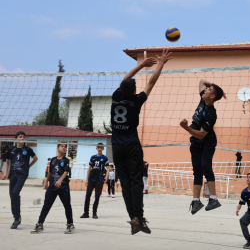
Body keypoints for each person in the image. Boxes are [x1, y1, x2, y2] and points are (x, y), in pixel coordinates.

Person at [111, 49, 172, 235]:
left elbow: (126, 79)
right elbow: (151, 82)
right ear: (134, 91)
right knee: (136, 182)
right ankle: (138, 216)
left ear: (121, 89)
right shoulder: (136, 101)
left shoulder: (116, 98)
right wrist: (160, 64)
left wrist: (140, 66)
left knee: (126, 183)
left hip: (116, 146)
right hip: (131, 146)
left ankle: (134, 218)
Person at [180, 78, 226, 215]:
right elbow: (201, 81)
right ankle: (196, 201)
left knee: (206, 166)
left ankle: (213, 199)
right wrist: (216, 89)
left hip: (207, 140)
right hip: (195, 140)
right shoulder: (202, 99)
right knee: (197, 169)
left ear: (212, 96)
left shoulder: (212, 114)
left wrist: (186, 127)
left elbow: (201, 134)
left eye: (209, 90)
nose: (205, 89)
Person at [31, 144, 75, 234]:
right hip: (52, 186)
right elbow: (50, 171)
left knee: (67, 205)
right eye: (62, 146)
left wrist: (60, 181)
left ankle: (70, 224)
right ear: (57, 148)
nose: (64, 148)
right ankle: (40, 224)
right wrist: (46, 182)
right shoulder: (53, 160)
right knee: (46, 205)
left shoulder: (66, 160)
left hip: (63, 186)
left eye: (65, 147)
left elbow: (66, 172)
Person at [1, 131, 38, 229]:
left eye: (23, 137)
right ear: (16, 139)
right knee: (12, 196)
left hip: (22, 175)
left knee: (15, 193)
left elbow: (35, 158)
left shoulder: (27, 149)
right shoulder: (11, 149)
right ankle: (16, 217)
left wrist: (28, 167)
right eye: (20, 137)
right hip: (12, 175)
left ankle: (17, 217)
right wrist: (5, 173)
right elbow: (7, 162)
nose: (22, 138)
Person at [80, 143, 110, 219]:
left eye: (101, 148)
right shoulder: (93, 157)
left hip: (99, 179)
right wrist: (87, 179)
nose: (99, 149)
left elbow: (108, 168)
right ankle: (86, 213)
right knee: (88, 196)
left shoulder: (105, 158)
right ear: (96, 148)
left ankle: (94, 213)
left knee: (97, 196)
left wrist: (106, 176)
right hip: (91, 178)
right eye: (98, 148)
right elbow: (89, 168)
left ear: (103, 149)